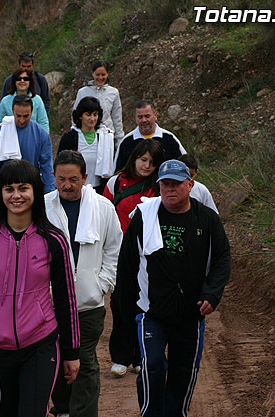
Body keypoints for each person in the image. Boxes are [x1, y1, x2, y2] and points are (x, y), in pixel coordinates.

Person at [0, 159, 80, 417]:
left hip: (40, 344)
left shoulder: (54, 239)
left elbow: (66, 297)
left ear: (35, 192)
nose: (16, 195)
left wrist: (72, 351)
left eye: (23, 188)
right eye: (9, 189)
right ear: (0, 193)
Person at [114, 159, 231, 416]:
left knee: (183, 371)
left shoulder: (206, 219)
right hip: (151, 312)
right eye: (164, 184)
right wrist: (127, 310)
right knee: (153, 366)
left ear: (190, 185)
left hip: (190, 314)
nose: (170, 190)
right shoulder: (144, 217)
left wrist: (212, 294)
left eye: (176, 184)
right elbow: (127, 265)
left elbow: (222, 258)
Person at [45, 151, 122, 417]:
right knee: (56, 359)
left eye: (73, 179)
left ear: (85, 178)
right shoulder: (43, 207)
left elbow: (114, 247)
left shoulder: (103, 207)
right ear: (53, 177)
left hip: (89, 303)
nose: (67, 185)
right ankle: (64, 408)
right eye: (61, 179)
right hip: (51, 303)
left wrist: (103, 283)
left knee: (85, 362)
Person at [103, 139, 163, 377]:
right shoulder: (116, 182)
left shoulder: (159, 186)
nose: (147, 166)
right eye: (143, 160)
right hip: (119, 254)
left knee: (146, 305)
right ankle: (120, 357)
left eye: (152, 162)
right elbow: (104, 214)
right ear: (134, 158)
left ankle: (140, 357)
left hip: (150, 255)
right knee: (120, 304)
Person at [0, 95, 55, 193]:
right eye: (18, 116)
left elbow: (46, 167)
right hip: (6, 188)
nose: (22, 120)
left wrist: (50, 193)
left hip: (31, 187)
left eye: (26, 116)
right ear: (13, 111)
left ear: (32, 112)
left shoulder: (41, 134)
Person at [58, 96, 115, 192]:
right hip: (75, 190)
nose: (92, 118)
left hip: (99, 189)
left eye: (95, 114)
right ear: (80, 116)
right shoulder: (69, 138)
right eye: (88, 115)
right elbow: (61, 164)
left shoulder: (105, 137)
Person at [114, 99, 186, 172]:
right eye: (140, 117)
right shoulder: (127, 142)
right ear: (135, 118)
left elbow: (184, 165)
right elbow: (118, 171)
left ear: (155, 116)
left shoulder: (169, 138)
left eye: (147, 116)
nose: (144, 120)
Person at [73, 60, 124, 148]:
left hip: (107, 137)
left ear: (108, 74)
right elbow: (75, 114)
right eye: (97, 75)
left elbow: (117, 118)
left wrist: (119, 140)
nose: (100, 78)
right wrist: (74, 134)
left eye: (103, 75)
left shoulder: (114, 92)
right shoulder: (82, 92)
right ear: (93, 74)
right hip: (86, 136)